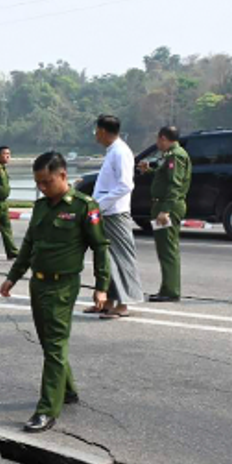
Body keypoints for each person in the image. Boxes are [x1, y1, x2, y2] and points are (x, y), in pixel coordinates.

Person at [0, 151, 110, 433]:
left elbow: (100, 248)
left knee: (55, 344)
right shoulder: (41, 207)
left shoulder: (84, 207)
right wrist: (13, 277)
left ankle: (47, 410)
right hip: (37, 283)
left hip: (62, 286)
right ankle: (68, 390)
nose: (42, 187)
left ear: (62, 175)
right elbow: (28, 245)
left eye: (46, 182)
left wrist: (101, 287)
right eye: (38, 183)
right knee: (49, 343)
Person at [87, 115, 143, 318]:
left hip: (115, 213)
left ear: (102, 131)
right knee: (105, 258)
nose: (95, 135)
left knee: (121, 258)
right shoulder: (113, 151)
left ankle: (123, 304)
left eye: (96, 130)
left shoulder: (121, 152)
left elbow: (126, 185)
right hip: (106, 212)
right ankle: (108, 301)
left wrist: (100, 205)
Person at [138, 125, 191, 302]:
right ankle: (167, 288)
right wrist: (149, 171)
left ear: (163, 138)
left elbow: (174, 184)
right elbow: (165, 177)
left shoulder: (175, 156)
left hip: (167, 207)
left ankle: (170, 290)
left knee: (167, 249)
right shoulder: (171, 155)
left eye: (158, 139)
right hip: (163, 205)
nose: (157, 143)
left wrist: (165, 210)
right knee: (165, 248)